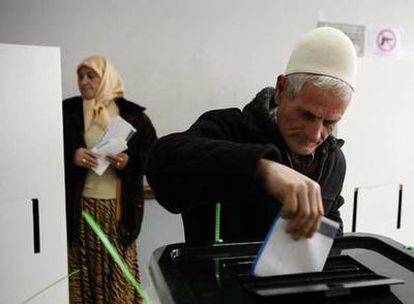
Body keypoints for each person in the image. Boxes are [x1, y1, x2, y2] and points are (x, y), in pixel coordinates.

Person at [146, 27, 357, 245]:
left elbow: (330, 219)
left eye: (330, 122)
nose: (315, 135)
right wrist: (262, 168)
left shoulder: (334, 161)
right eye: (306, 115)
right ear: (282, 89)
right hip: (215, 278)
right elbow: (162, 162)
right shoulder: (228, 130)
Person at [63, 55, 157, 303]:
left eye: (90, 76)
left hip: (118, 210)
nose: (83, 82)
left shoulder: (132, 115)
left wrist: (129, 162)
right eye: (80, 76)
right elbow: (48, 153)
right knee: (84, 273)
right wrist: (72, 155)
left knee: (118, 273)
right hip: (80, 208)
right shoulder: (67, 112)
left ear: (105, 77)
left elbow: (152, 154)